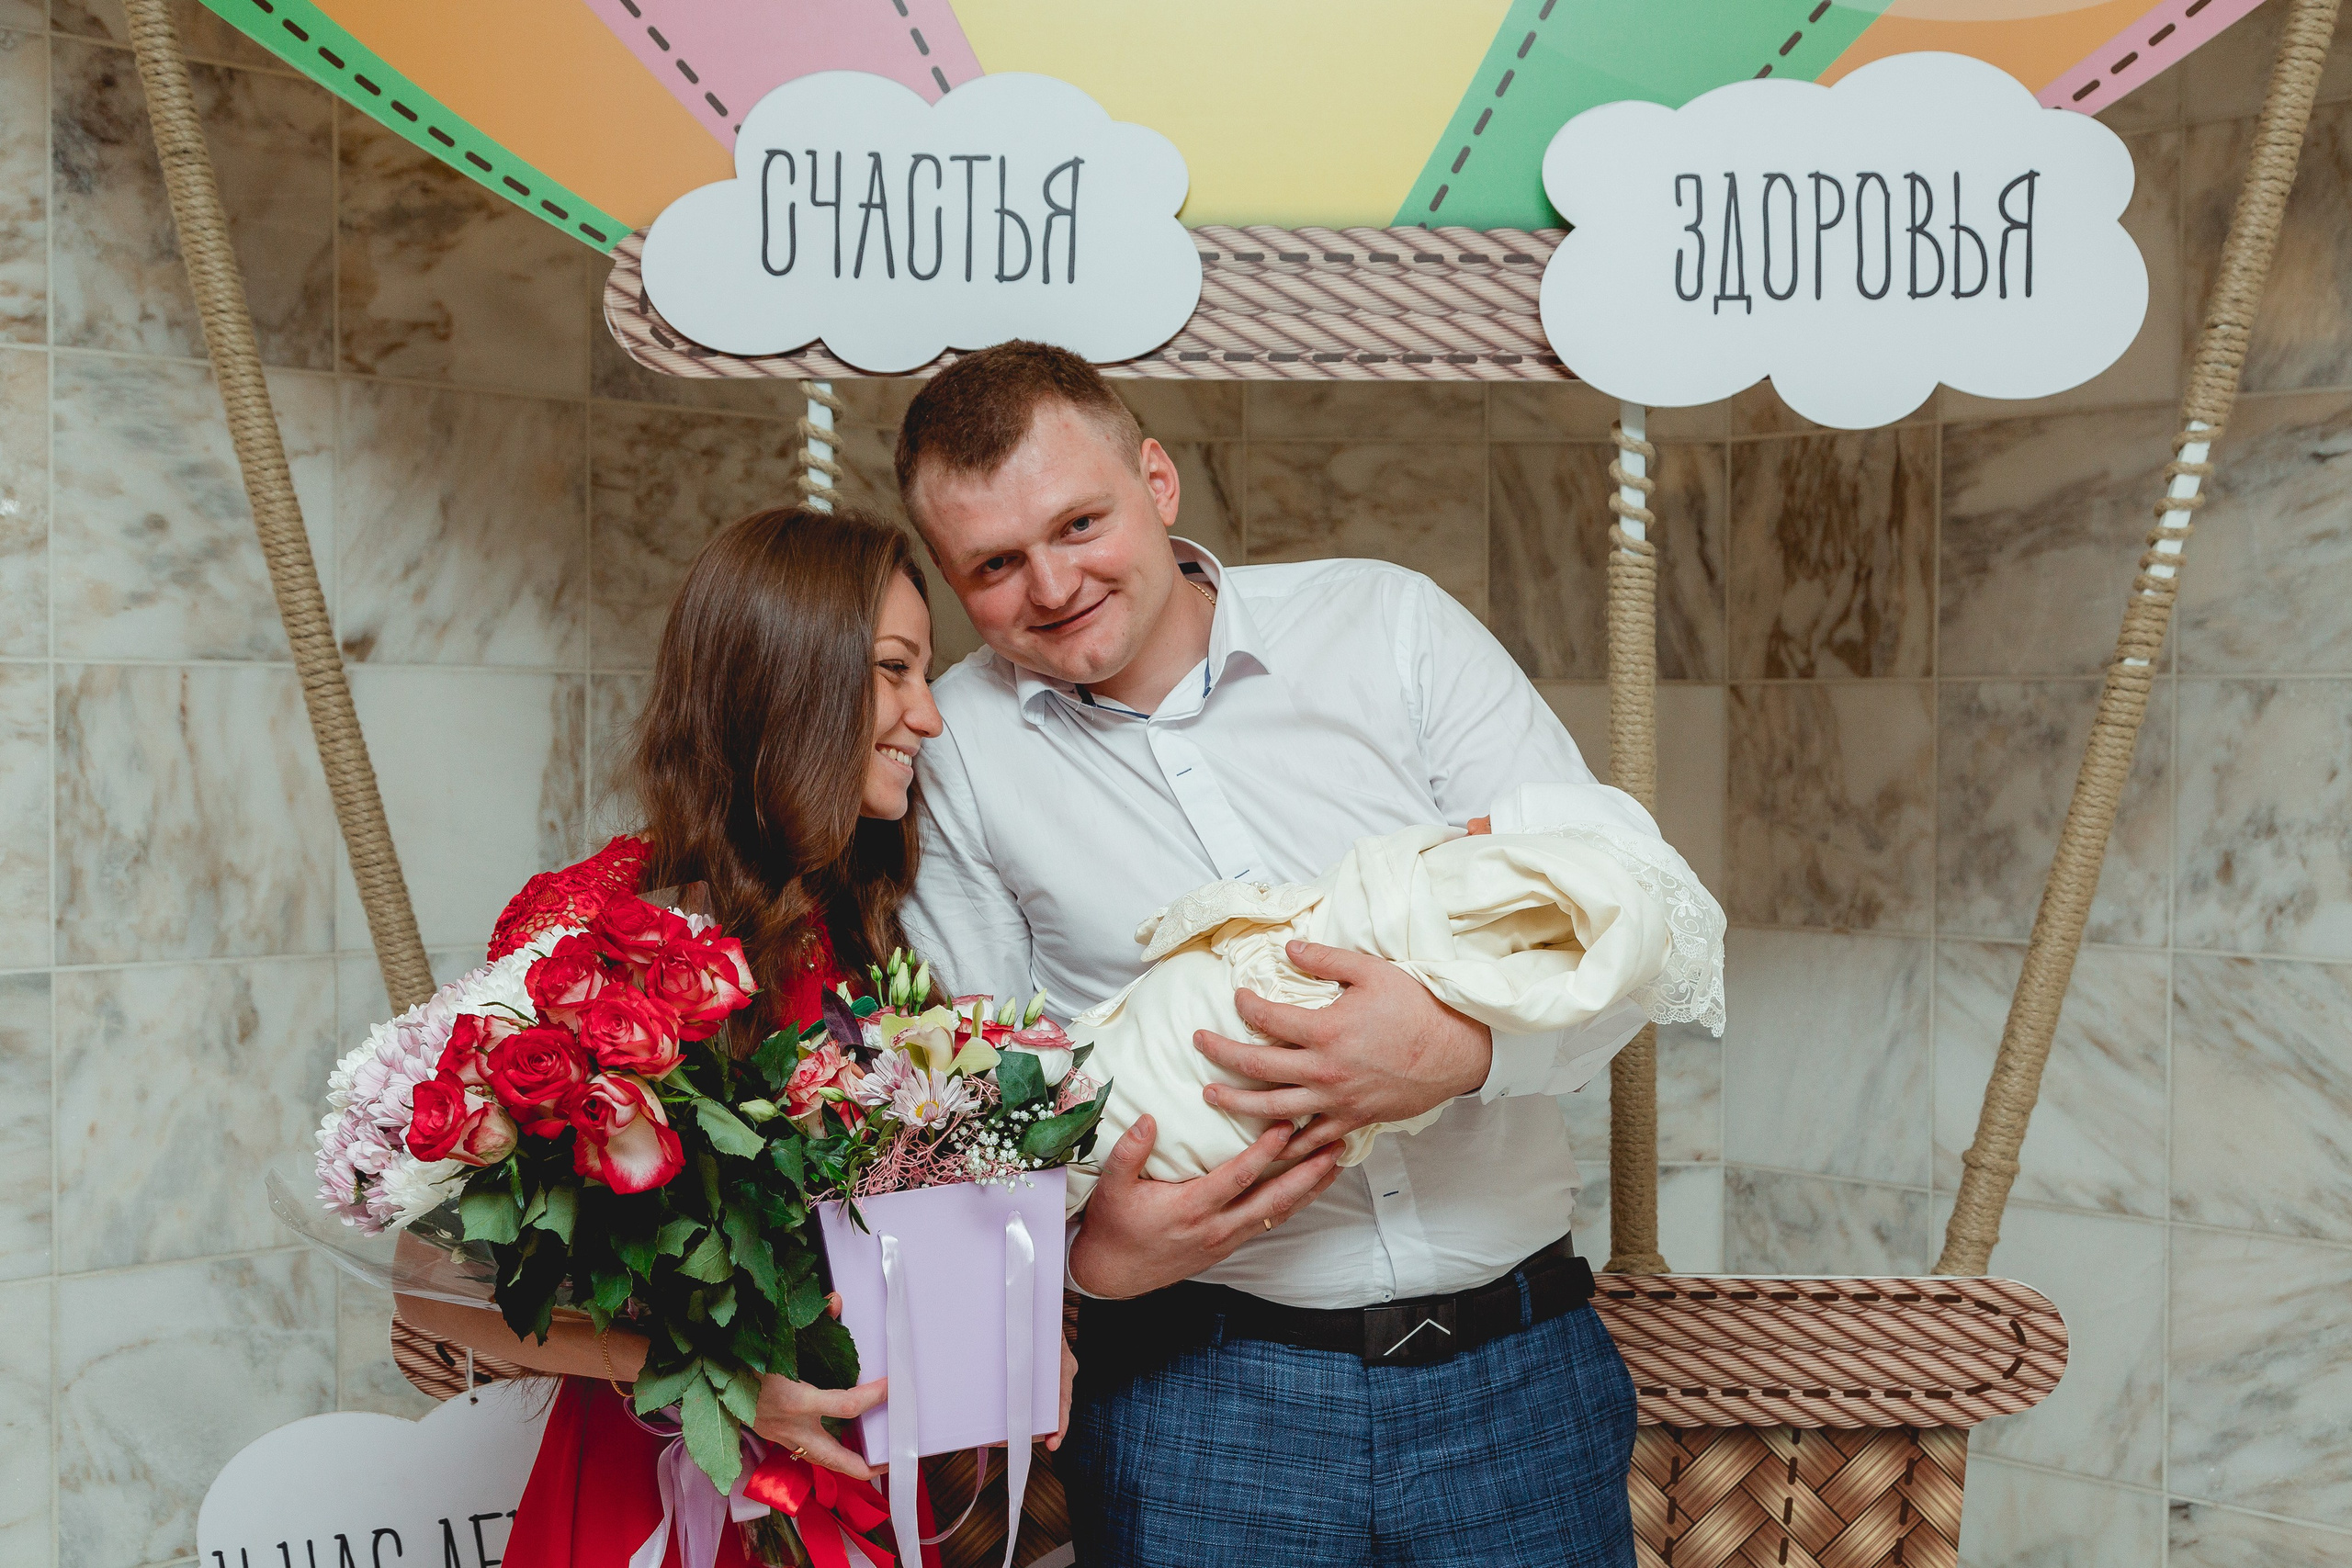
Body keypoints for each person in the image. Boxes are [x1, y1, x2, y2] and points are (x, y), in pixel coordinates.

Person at [898, 342, 1722, 1568]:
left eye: (1080, 522)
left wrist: (1461, 1050)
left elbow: (1620, 920)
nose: (1054, 583)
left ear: (1158, 482)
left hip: (1519, 1373)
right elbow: (962, 1110)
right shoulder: (954, 742)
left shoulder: (1387, 626)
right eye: (996, 565)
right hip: (1199, 1396)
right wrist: (1092, 1260)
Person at [397, 506, 1069, 1567]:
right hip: (656, 1501)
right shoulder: (605, 939)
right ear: (788, 680)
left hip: (853, 1498)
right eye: (894, 672)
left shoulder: (874, 942)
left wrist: (1018, 1334)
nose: (927, 717)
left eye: (924, 673)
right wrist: (723, 1380)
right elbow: (436, 1286)